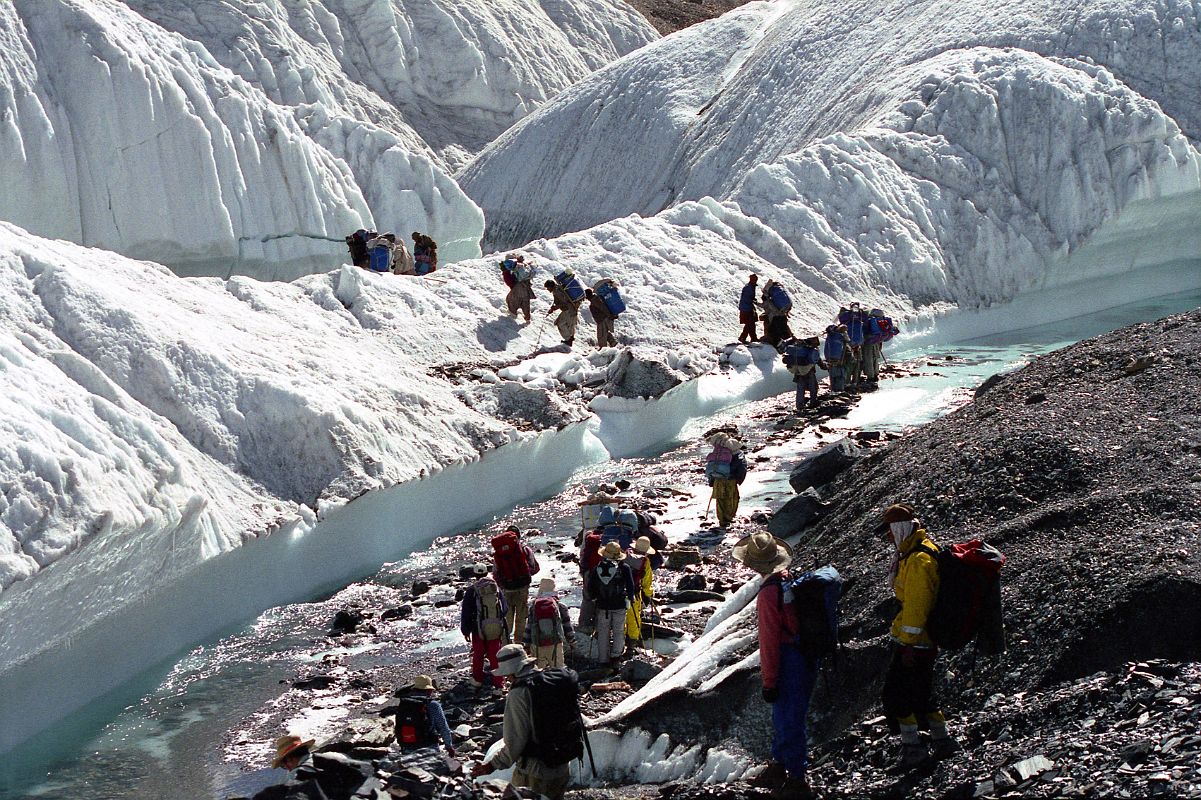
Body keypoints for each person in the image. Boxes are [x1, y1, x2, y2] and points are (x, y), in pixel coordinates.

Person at [732, 533, 816, 800]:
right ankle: (781, 765)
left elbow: (768, 641)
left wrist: (769, 681)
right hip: (803, 653)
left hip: (788, 656)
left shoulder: (769, 593)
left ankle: (796, 778)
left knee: (787, 716)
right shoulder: (786, 579)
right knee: (790, 714)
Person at [879, 503, 960, 767]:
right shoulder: (916, 552)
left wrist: (908, 644)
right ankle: (941, 740)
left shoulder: (918, 561)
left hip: (917, 642)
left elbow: (917, 606)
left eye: (889, 532)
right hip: (924, 639)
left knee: (896, 695)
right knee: (922, 693)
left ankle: (913, 749)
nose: (888, 537)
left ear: (899, 528)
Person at [469, 645, 582, 800]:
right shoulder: (551, 681)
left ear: (512, 670)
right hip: (562, 765)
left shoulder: (519, 693)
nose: (506, 678)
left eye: (507, 674)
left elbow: (515, 741)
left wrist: (491, 765)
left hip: (535, 772)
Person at [256, 735, 382, 799]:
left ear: (290, 759)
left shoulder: (298, 774)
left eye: (284, 765)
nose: (287, 768)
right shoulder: (333, 756)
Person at [586, 542, 635, 667]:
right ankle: (616, 656)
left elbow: (590, 587)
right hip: (619, 605)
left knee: (603, 632)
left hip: (602, 606)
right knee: (618, 631)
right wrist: (631, 598)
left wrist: (594, 599)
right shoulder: (624, 568)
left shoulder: (597, 568)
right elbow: (630, 586)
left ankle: (603, 659)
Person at [492, 525, 541, 646]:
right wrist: (524, 576)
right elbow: (534, 567)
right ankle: (519, 643)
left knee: (507, 617)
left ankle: (505, 643)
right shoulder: (524, 549)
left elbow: (495, 573)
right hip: (522, 588)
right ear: (518, 536)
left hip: (506, 590)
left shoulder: (499, 552)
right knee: (521, 616)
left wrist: (503, 585)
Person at [460, 570, 509, 690]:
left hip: (478, 629)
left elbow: (465, 612)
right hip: (495, 628)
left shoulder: (472, 590)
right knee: (495, 655)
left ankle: (477, 680)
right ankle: (499, 684)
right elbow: (505, 608)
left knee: (478, 655)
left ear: (475, 575)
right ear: (486, 573)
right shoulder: (495, 588)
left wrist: (465, 631)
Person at [394, 675, 456, 757]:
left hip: (407, 747)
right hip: (429, 748)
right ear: (429, 690)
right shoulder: (432, 705)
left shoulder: (405, 703)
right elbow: (443, 727)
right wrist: (449, 746)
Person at [525, 578, 574, 668]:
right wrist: (572, 641)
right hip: (555, 644)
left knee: (538, 672)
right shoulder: (560, 606)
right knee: (558, 670)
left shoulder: (534, 605)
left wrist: (526, 645)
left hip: (537, 644)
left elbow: (528, 627)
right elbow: (567, 626)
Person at [705, 432, 748, 529]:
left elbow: (712, 466)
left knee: (720, 500)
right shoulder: (736, 452)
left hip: (718, 479)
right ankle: (729, 518)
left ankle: (722, 520)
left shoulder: (717, 451)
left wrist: (711, 481)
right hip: (730, 479)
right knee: (732, 498)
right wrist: (739, 479)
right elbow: (742, 466)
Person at [624, 536, 656, 649]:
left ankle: (620, 640)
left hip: (620, 592)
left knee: (622, 616)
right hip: (634, 594)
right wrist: (648, 595)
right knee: (634, 618)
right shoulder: (645, 562)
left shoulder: (625, 554)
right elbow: (647, 582)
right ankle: (632, 642)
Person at [782, 337, 824, 410]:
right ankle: (813, 402)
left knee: (800, 389)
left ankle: (799, 405)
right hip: (809, 372)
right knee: (813, 387)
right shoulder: (811, 350)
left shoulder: (798, 350)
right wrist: (825, 367)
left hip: (797, 371)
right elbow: (818, 361)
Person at [577, 524, 605, 633]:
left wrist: (583, 571)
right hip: (603, 572)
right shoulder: (609, 537)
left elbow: (583, 554)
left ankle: (584, 624)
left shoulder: (589, 536)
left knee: (587, 599)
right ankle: (598, 627)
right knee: (601, 598)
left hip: (588, 572)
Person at [838, 303, 868, 391]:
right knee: (857, 363)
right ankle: (855, 381)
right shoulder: (860, 315)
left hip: (850, 343)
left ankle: (847, 382)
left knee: (849, 363)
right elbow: (866, 321)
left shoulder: (847, 316)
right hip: (858, 342)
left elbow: (841, 320)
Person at [862, 308, 897, 383]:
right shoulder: (879, 321)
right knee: (875, 358)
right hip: (877, 341)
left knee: (869, 359)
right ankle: (875, 374)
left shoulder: (869, 320)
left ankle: (870, 377)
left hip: (869, 342)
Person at [544, 279, 581, 347]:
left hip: (568, 310)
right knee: (569, 324)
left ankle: (568, 339)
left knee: (560, 323)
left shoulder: (557, 291)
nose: (548, 290)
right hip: (572, 309)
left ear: (551, 286)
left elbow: (564, 302)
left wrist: (555, 308)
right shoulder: (558, 289)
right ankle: (571, 337)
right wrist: (553, 308)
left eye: (548, 288)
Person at [501, 254, 534, 322]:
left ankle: (513, 315)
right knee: (525, 302)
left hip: (518, 288)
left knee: (511, 300)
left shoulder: (514, 269)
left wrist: (505, 272)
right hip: (526, 287)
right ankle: (527, 318)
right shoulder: (522, 267)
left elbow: (509, 282)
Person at [760, 280, 793, 347]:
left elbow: (765, 305)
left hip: (776, 316)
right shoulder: (776, 295)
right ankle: (789, 339)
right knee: (784, 328)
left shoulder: (768, 300)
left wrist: (755, 302)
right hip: (782, 313)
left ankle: (776, 342)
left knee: (774, 330)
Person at [823, 324, 849, 393]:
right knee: (840, 374)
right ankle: (839, 389)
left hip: (829, 357)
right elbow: (848, 341)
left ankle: (833, 389)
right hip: (839, 358)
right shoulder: (841, 336)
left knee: (832, 374)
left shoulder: (830, 335)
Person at [738, 273, 760, 343]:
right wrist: (753, 300)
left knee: (750, 324)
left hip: (746, 308)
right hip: (746, 308)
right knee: (750, 323)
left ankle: (751, 338)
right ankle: (745, 337)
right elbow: (747, 298)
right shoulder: (749, 288)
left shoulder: (750, 287)